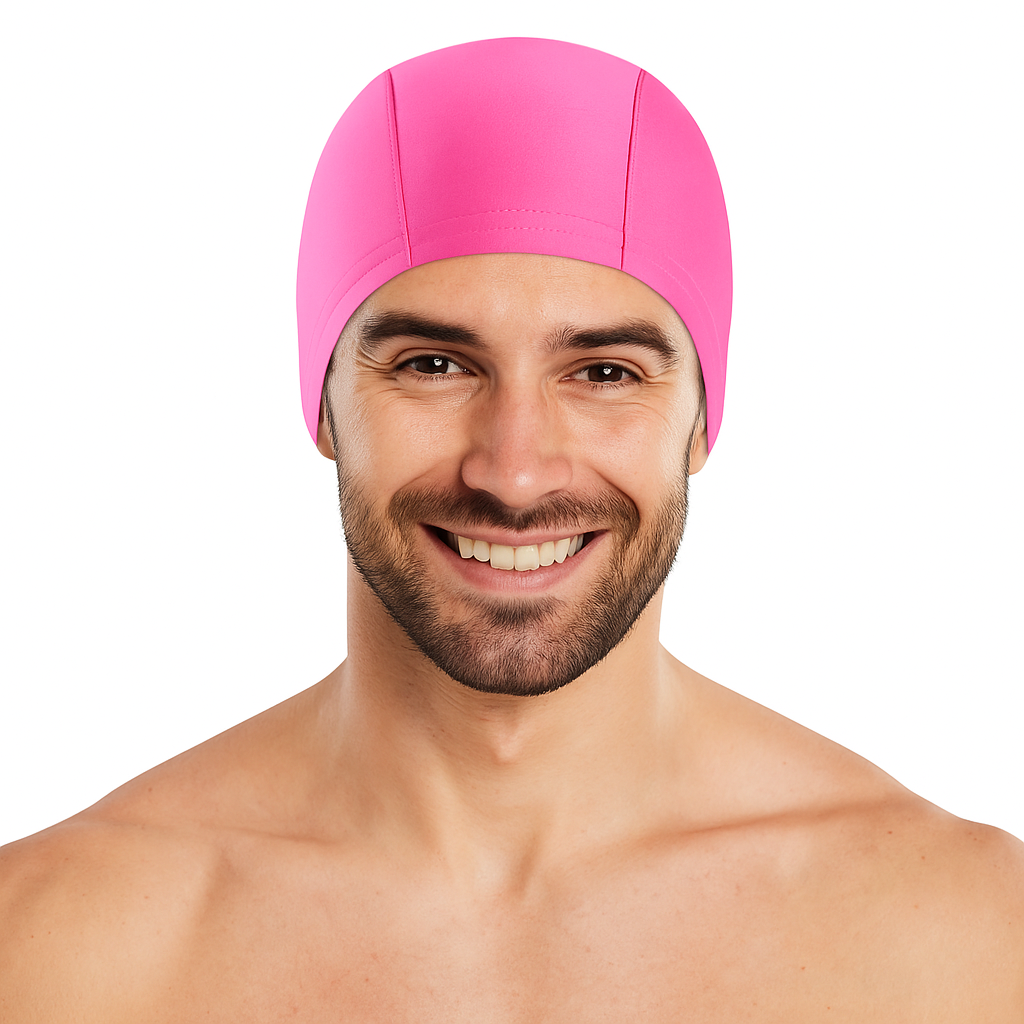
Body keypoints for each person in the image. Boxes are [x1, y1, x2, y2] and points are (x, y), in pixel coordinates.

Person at [1, 36, 1021, 1022]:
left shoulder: (971, 939)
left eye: (604, 372)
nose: (515, 470)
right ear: (321, 404)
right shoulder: (49, 951)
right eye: (434, 365)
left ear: (704, 421)